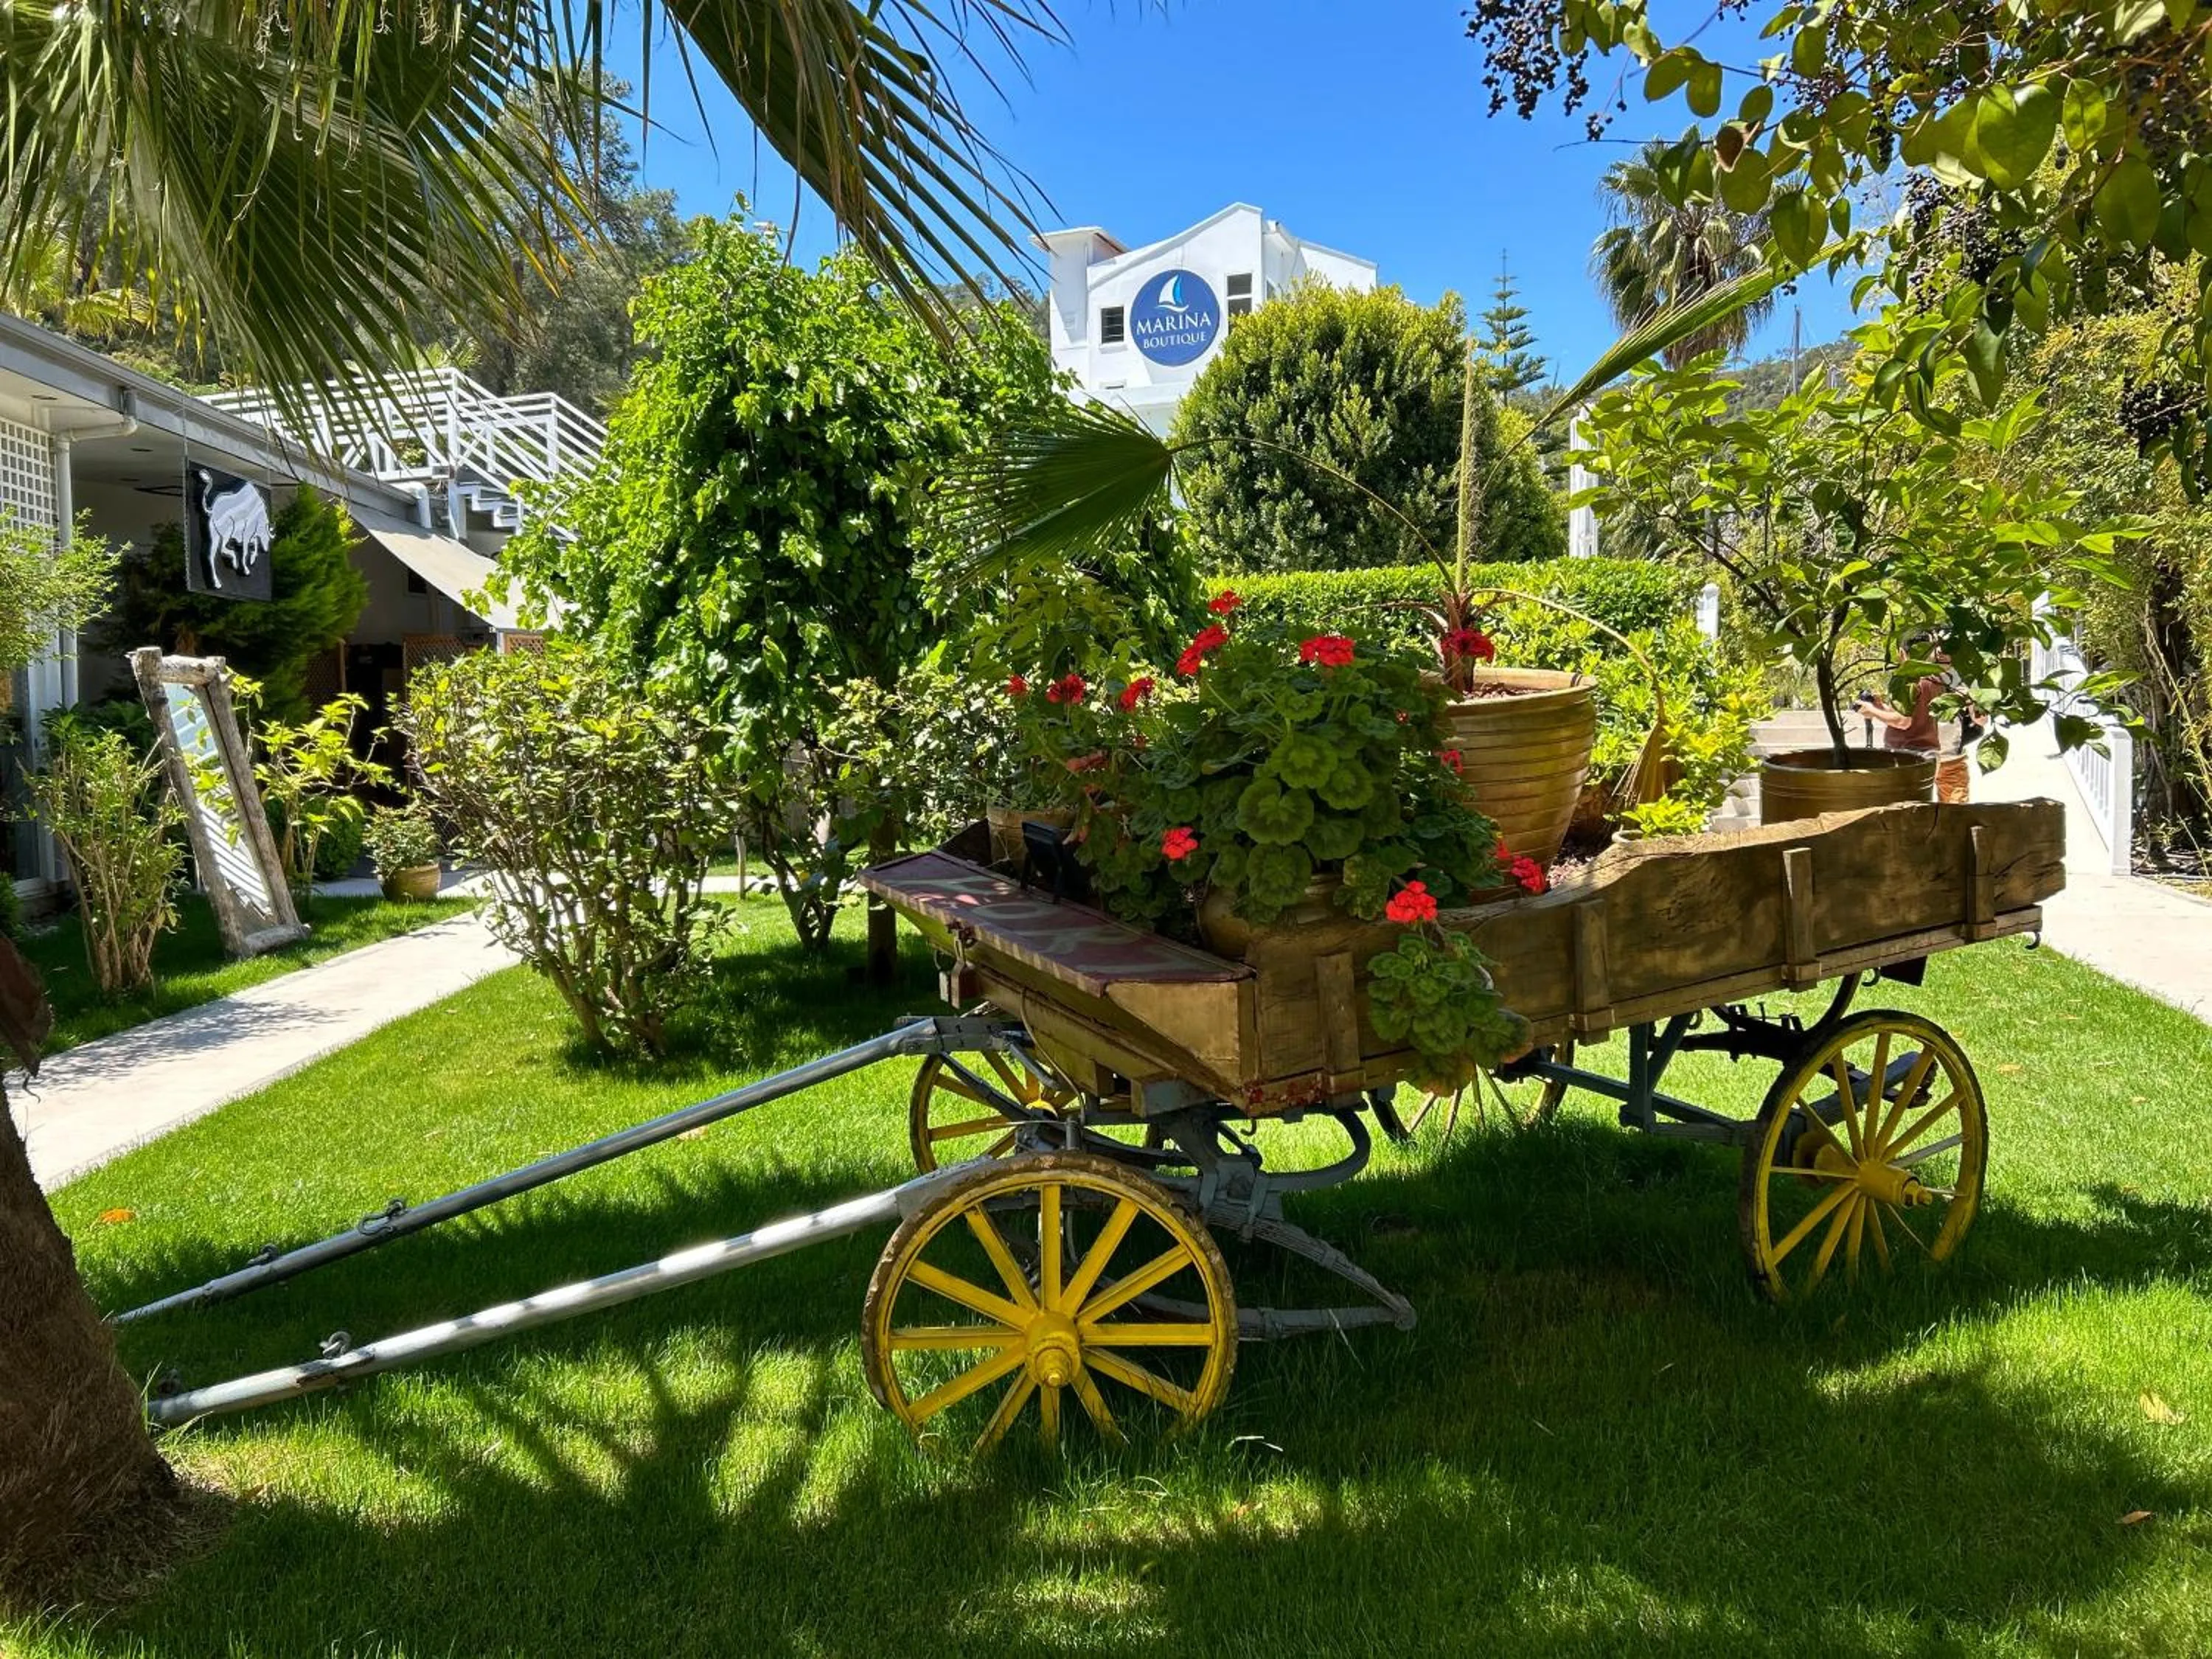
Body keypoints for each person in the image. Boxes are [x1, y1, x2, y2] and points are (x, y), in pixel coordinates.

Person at [1857, 643, 1975, 804]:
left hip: (1913, 756)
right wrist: (1879, 707)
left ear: (1902, 653)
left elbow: (1903, 721)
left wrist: (1872, 711)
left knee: (1908, 812)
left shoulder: (1911, 681)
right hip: (1932, 753)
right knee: (1949, 812)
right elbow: (1909, 713)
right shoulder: (1934, 680)